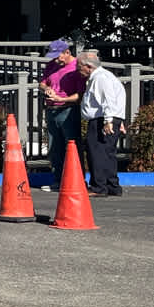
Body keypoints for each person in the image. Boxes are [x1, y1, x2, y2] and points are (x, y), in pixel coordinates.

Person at [76, 50, 127, 197]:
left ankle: (99, 186)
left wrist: (108, 120)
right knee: (108, 153)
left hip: (101, 119)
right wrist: (118, 119)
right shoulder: (106, 76)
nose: (79, 70)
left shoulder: (100, 78)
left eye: (80, 67)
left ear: (88, 66)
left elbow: (108, 99)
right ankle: (112, 186)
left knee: (96, 152)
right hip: (110, 117)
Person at [38, 39, 85, 190]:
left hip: (68, 110)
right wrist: (46, 89)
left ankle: (77, 182)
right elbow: (43, 82)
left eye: (58, 56)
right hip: (51, 110)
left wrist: (62, 99)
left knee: (72, 146)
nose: (56, 59)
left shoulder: (77, 67)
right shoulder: (52, 65)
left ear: (67, 52)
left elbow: (80, 95)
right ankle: (58, 181)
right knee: (54, 148)